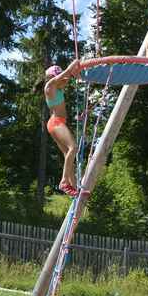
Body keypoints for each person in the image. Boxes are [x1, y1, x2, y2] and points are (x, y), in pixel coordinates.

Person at [44, 60, 82, 196]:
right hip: (55, 122)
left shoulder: (58, 87)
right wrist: (73, 65)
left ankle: (74, 186)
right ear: (51, 77)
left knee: (68, 155)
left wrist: (75, 73)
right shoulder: (50, 86)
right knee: (74, 148)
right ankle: (64, 181)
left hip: (57, 123)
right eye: (59, 77)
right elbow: (64, 75)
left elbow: (66, 77)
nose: (63, 79)